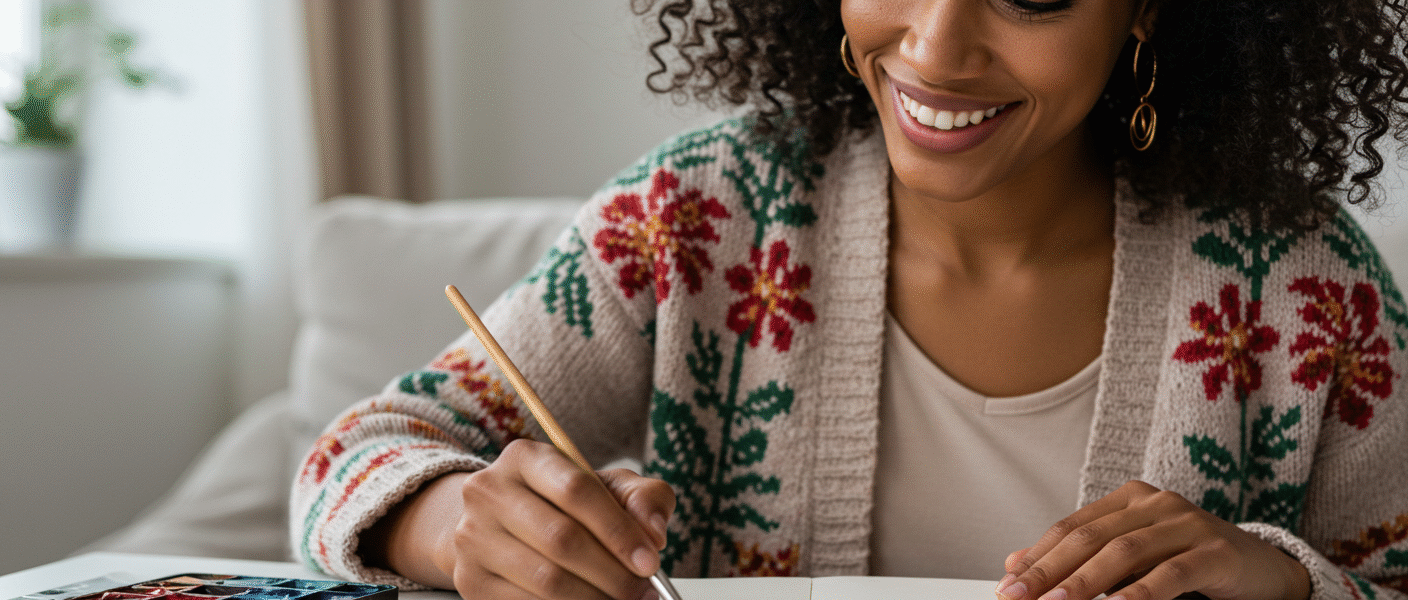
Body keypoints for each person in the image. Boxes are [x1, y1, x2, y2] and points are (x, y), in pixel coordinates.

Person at [291, 1, 1408, 599]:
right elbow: (352, 454)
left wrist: (1279, 581)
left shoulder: (1304, 286)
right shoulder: (697, 219)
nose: (936, 45)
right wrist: (457, 524)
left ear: (1145, 11)